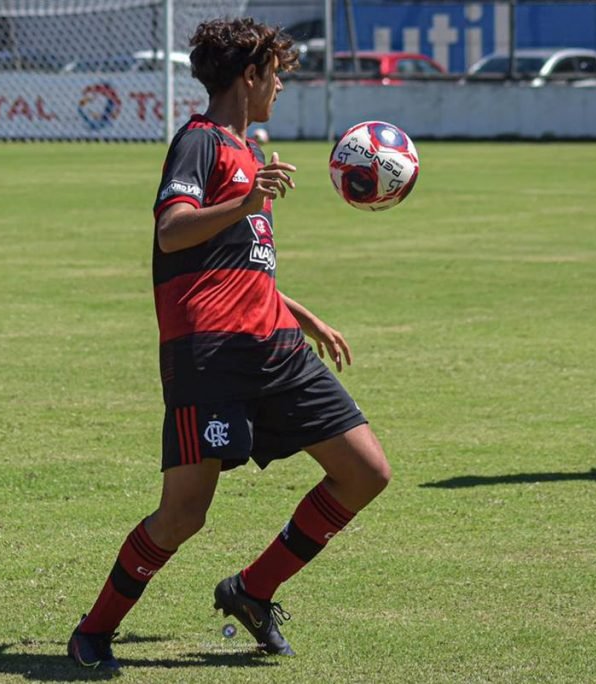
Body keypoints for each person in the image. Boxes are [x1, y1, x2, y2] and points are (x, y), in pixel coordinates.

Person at [67, 17, 392, 670]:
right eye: (275, 77)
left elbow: (239, 264)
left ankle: (253, 590)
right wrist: (245, 203)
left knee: (365, 471)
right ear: (249, 76)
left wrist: (302, 314)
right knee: (184, 514)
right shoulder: (201, 142)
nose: (279, 89)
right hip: (209, 355)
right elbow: (173, 231)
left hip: (275, 346)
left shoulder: (251, 155)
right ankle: (93, 633)